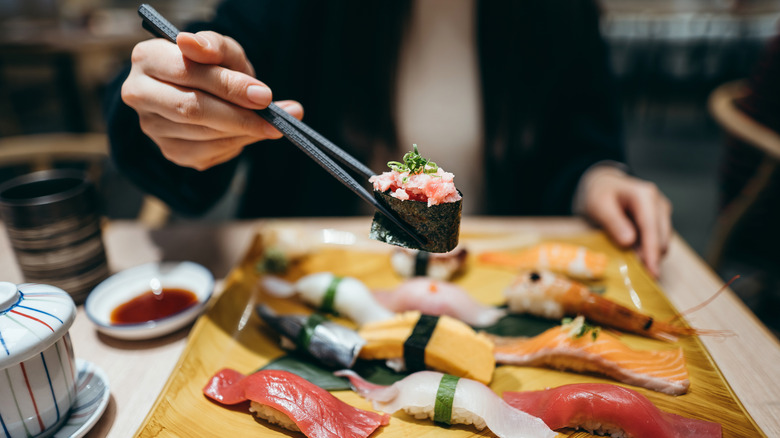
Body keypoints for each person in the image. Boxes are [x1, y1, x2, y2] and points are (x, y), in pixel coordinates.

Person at [105, 0, 672, 277]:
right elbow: (194, 96)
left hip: (491, 273)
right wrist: (176, 111)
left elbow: (579, 141)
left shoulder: (558, 11)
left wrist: (596, 178)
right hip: (314, 277)